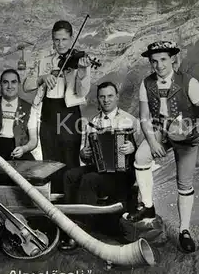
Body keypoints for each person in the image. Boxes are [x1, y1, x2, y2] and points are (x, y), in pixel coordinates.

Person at [127, 41, 199, 253]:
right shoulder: (146, 83)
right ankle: (148, 208)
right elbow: (144, 117)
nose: (159, 65)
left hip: (184, 131)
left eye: (163, 59)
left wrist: (188, 132)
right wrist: (153, 141)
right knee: (141, 157)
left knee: (184, 183)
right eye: (154, 61)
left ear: (172, 58)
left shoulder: (189, 82)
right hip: (159, 128)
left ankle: (184, 231)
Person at [59, 81, 142, 251]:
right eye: (102, 97)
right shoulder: (92, 123)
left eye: (110, 96)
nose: (106, 100)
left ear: (117, 97)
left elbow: (145, 152)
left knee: (89, 179)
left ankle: (82, 234)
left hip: (122, 174)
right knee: (69, 175)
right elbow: (85, 155)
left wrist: (133, 148)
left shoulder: (130, 121)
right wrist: (85, 153)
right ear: (98, 99)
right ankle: (69, 229)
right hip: (100, 169)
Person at [22, 20, 94, 192]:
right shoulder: (44, 60)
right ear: (52, 40)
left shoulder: (79, 60)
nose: (60, 44)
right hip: (48, 113)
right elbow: (26, 85)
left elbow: (82, 92)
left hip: (69, 114)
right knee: (49, 161)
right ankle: (53, 204)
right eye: (56, 40)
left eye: (64, 40)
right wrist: (42, 78)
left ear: (71, 39)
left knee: (70, 161)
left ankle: (72, 207)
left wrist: (82, 72)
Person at [0, 69, 38, 160]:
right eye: (5, 82)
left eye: (13, 82)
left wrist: (24, 149)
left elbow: (33, 140)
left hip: (19, 152)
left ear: (18, 84)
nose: (9, 86)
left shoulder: (30, 109)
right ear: (0, 84)